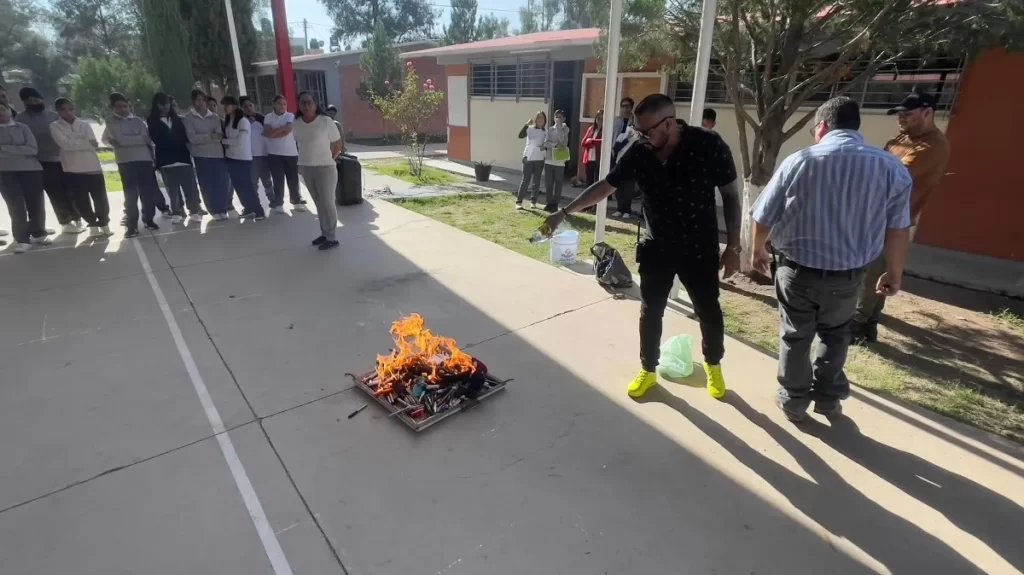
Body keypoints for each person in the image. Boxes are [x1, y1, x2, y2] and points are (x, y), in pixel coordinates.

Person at [542, 94, 743, 400]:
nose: (642, 137)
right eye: (637, 131)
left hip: (699, 247)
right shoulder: (640, 152)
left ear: (669, 123)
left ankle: (714, 367)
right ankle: (648, 369)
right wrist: (565, 211)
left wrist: (734, 246)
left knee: (708, 311)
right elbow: (606, 185)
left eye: (647, 131)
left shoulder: (708, 145)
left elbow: (730, 195)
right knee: (651, 311)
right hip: (657, 245)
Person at [750, 97, 912, 423]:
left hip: (797, 272)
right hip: (849, 276)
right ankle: (827, 399)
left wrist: (757, 251)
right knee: (836, 334)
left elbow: (763, 215)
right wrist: (894, 272)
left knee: (796, 336)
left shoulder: (799, 161)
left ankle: (794, 400)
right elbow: (898, 229)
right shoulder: (890, 167)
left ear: (822, 126)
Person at [851, 92, 951, 343]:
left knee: (871, 274)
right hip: (876, 214)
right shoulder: (903, 138)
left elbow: (891, 175)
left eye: (907, 114)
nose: (901, 118)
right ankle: (868, 325)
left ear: (927, 112)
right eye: (899, 114)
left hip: (892, 219)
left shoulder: (932, 146)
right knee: (876, 273)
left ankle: (857, 324)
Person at [18, 87, 79, 234]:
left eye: (37, 100)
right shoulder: (21, 119)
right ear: (25, 103)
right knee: (55, 191)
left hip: (63, 158)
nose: (35, 103)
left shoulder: (54, 116)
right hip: (42, 161)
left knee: (72, 189)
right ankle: (66, 221)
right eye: (30, 101)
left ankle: (77, 217)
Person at [50, 98, 112, 238]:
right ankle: (92, 223)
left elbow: (94, 143)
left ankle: (104, 223)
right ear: (58, 111)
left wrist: (75, 142)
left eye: (71, 109)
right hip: (72, 169)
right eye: (64, 109)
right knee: (81, 201)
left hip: (93, 166)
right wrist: (84, 143)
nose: (68, 112)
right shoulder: (55, 126)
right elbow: (65, 145)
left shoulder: (84, 124)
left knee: (100, 198)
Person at [103, 92, 163, 235]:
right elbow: (116, 139)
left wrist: (123, 141)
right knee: (131, 195)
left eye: (125, 106)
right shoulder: (110, 121)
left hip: (144, 160)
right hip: (126, 162)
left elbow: (146, 139)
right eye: (119, 107)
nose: (123, 109)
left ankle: (148, 219)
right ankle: (132, 225)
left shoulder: (138, 121)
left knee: (147, 193)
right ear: (113, 108)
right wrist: (132, 140)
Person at [292, 91, 343, 250]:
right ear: (299, 105)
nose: (306, 105)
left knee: (328, 202)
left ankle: (332, 237)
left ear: (315, 104)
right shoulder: (296, 123)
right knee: (319, 203)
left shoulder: (326, 121)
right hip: (307, 169)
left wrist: (330, 159)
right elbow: (298, 144)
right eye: (302, 102)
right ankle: (325, 233)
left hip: (326, 168)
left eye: (309, 102)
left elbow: (337, 144)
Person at [148, 92, 204, 224]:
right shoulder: (152, 121)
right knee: (172, 190)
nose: (165, 106)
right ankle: (177, 212)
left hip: (183, 158)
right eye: (162, 104)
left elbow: (185, 138)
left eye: (167, 103)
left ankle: (194, 211)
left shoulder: (180, 119)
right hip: (166, 161)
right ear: (157, 105)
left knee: (189, 187)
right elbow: (155, 139)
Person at [0, 102, 49, 253]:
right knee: (16, 205)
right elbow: (25, 149)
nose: (1, 113)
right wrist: (20, 150)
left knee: (36, 202)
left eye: (2, 109)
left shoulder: (22, 127)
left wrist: (4, 148)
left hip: (30, 170)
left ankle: (38, 232)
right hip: (5, 172)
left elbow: (32, 149)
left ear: (9, 110)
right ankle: (22, 239)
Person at [184, 89, 232, 220]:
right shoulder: (189, 118)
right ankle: (213, 210)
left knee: (221, 183)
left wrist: (205, 137)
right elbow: (192, 138)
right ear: (193, 102)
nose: (200, 103)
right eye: (197, 100)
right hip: (201, 156)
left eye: (202, 100)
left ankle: (222, 209)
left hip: (217, 154)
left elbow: (219, 135)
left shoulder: (214, 117)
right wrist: (210, 136)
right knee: (206, 184)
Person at [221, 96, 266, 221]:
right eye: (223, 105)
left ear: (235, 106)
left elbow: (240, 141)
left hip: (242, 159)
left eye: (227, 105)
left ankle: (259, 210)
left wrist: (223, 140)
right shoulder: (228, 119)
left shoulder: (243, 121)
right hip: (231, 158)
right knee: (238, 186)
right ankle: (248, 208)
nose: (224, 108)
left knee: (247, 186)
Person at [264, 94, 305, 213]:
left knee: (293, 179)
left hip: (290, 153)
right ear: (274, 105)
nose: (282, 106)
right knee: (277, 179)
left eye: (284, 104)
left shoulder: (290, 116)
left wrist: (274, 132)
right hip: (274, 154)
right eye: (279, 103)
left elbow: (287, 131)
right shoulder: (268, 117)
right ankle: (279, 203)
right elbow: (267, 134)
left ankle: (296, 202)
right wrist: (281, 128)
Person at [240, 96, 273, 206]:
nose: (249, 108)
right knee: (253, 182)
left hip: (264, 155)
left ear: (254, 106)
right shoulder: (241, 121)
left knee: (267, 181)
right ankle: (255, 204)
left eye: (250, 105)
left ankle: (273, 200)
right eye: (245, 107)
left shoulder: (262, 119)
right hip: (251, 157)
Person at [515, 111, 547, 210]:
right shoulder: (530, 129)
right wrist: (526, 125)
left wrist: (544, 147)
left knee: (536, 181)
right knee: (525, 181)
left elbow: (547, 144)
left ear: (544, 120)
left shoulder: (546, 132)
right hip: (528, 158)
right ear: (536, 119)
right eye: (538, 117)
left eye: (542, 117)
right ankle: (519, 202)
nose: (540, 119)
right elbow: (520, 135)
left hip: (539, 158)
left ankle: (533, 201)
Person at [611, 97, 636, 218]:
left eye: (627, 106)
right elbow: (613, 135)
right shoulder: (616, 121)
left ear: (631, 107)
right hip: (617, 154)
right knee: (618, 182)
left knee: (628, 184)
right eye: (623, 106)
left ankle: (627, 209)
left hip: (630, 155)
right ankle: (619, 208)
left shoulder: (635, 120)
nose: (625, 108)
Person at [542, 109, 570, 213]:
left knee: (558, 183)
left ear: (564, 118)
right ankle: (549, 203)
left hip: (559, 161)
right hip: (549, 160)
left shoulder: (565, 129)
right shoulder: (550, 129)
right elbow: (546, 143)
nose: (558, 119)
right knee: (549, 183)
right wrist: (554, 145)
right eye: (556, 117)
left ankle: (555, 204)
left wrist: (559, 127)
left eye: (560, 117)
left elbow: (563, 142)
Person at [581, 109, 602, 186]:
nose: (600, 120)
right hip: (589, 158)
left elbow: (603, 142)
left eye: (602, 118)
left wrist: (591, 141)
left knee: (598, 180)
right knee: (589, 179)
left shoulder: (606, 130)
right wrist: (590, 143)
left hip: (599, 159)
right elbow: (583, 142)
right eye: (598, 118)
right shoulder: (591, 129)